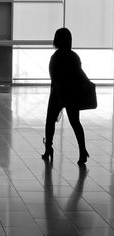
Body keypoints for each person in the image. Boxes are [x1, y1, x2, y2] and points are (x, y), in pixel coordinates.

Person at [42, 28, 89, 165]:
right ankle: (82, 151)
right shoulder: (74, 57)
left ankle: (48, 148)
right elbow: (80, 74)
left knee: (50, 121)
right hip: (72, 93)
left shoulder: (55, 57)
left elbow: (54, 77)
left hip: (57, 94)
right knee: (75, 122)